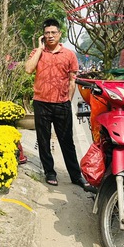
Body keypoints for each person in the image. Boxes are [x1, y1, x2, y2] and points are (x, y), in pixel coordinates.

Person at [24, 18, 90, 191]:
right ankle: (50, 172)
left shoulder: (69, 54)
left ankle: (76, 175)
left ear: (60, 34)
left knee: (67, 141)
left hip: (61, 104)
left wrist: (67, 101)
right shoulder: (38, 52)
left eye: (54, 32)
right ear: (43, 35)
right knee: (43, 140)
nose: (50, 36)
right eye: (47, 33)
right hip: (41, 103)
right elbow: (28, 69)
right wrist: (39, 48)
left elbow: (72, 80)